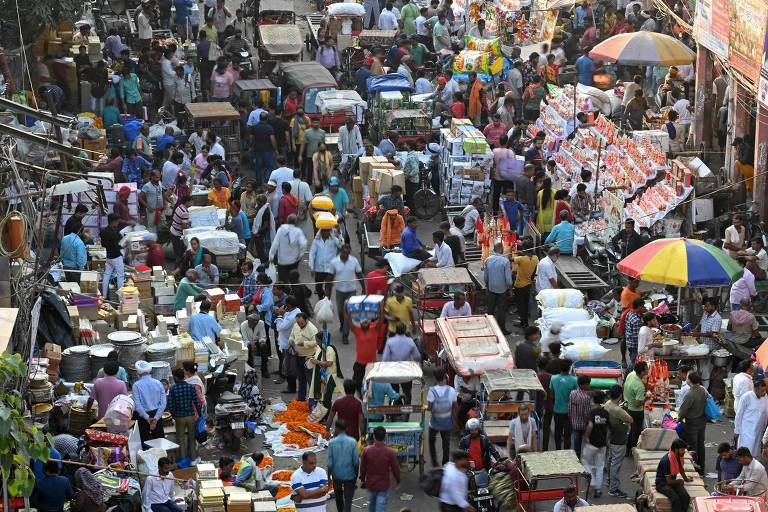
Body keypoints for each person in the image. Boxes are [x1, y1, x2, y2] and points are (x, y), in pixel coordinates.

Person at [360, 426, 400, 512]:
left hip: (371, 484)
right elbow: (395, 468)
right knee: (380, 507)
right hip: (383, 485)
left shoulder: (366, 451)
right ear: (385, 437)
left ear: (374, 436)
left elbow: (363, 468)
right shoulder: (390, 452)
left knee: (372, 505)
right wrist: (398, 481)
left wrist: (362, 479)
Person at [167, 367, 203, 462]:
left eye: (174, 376)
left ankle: (183, 460)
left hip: (179, 417)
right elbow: (197, 402)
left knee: (181, 439)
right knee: (192, 438)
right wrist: (200, 415)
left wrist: (174, 415)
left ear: (176, 377)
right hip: (191, 416)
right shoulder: (190, 387)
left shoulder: (173, 388)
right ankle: (193, 459)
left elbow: (170, 404)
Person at [604, 384, 632, 498]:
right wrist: (625, 423)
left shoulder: (607, 404)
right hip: (619, 439)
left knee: (611, 460)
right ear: (620, 395)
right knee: (616, 463)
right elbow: (630, 419)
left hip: (610, 437)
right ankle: (613, 488)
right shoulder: (618, 410)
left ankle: (609, 481)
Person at [677, 371, 707, 474]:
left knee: (693, 447)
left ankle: (694, 469)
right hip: (702, 421)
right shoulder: (703, 389)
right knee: (700, 445)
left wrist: (679, 419)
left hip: (692, 422)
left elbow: (683, 411)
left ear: (690, 380)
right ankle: (701, 469)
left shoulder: (690, 394)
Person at [327, 419, 359, 512]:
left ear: (336, 428)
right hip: (350, 475)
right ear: (347, 429)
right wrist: (356, 476)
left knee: (338, 497)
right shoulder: (353, 442)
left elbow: (330, 463)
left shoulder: (332, 442)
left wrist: (328, 477)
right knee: (348, 500)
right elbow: (356, 462)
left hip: (336, 476)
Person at [428, 368, 458, 467]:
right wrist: (454, 421)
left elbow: (429, 407)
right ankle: (445, 463)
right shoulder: (452, 390)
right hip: (447, 423)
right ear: (445, 376)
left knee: (431, 441)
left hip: (434, 423)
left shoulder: (431, 391)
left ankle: (434, 462)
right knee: (446, 445)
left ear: (435, 378)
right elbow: (455, 407)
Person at [581, 390, 609, 498]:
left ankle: (592, 482)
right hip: (602, 444)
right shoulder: (606, 413)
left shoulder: (592, 413)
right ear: (603, 400)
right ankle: (598, 489)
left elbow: (590, 426)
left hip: (591, 443)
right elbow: (607, 428)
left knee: (584, 461)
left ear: (593, 400)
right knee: (600, 466)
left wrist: (586, 436)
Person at [132, 360, 166, 444]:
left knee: (145, 442)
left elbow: (137, 404)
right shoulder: (158, 383)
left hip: (143, 417)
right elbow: (163, 403)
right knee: (159, 442)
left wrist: (147, 417)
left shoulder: (136, 385)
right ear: (150, 372)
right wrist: (156, 418)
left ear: (138, 373)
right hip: (156, 414)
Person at [655, 439, 692, 512]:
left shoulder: (679, 456)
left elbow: (681, 468)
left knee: (685, 497)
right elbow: (668, 481)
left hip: (672, 481)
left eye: (684, 449)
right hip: (662, 483)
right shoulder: (667, 460)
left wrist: (686, 479)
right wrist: (679, 480)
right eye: (682, 450)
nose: (684, 451)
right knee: (676, 499)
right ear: (676, 449)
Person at [288, 313, 318, 402]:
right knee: (301, 378)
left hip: (309, 357)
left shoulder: (312, 329)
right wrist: (291, 340)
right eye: (298, 323)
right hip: (298, 356)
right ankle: (301, 398)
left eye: (301, 323)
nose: (299, 325)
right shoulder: (295, 326)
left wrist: (304, 344)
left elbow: (316, 342)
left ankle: (313, 399)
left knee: (310, 379)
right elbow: (292, 336)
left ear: (306, 320)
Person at [734, 379, 768, 456]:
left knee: (756, 452)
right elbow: (739, 415)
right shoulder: (746, 397)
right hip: (747, 430)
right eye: (762, 391)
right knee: (746, 452)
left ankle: (754, 466)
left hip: (759, 430)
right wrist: (737, 430)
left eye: (765, 390)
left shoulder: (765, 396)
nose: (764, 392)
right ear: (755, 389)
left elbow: (766, 412)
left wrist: (765, 428)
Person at [484, 242, 513, 334]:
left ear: (494, 250)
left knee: (491, 308)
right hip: (502, 289)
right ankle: (502, 329)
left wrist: (487, 286)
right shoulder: (505, 261)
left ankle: (490, 328)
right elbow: (508, 279)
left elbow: (486, 276)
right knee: (501, 309)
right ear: (502, 249)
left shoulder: (488, 260)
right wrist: (510, 289)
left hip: (491, 287)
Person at [270, 214, 307, 281]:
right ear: (295, 222)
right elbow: (303, 244)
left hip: (282, 261)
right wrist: (300, 255)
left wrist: (271, 256)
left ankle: (284, 291)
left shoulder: (281, 230)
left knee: (282, 281)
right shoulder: (298, 231)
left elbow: (275, 244)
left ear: (287, 221)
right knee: (293, 280)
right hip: (294, 261)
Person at [550, 358, 577, 450]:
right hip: (570, 411)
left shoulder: (553, 378)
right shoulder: (574, 380)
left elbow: (552, 394)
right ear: (569, 368)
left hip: (557, 410)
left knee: (557, 431)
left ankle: (558, 450)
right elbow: (575, 395)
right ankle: (567, 453)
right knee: (567, 434)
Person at [513, 242, 538, 328]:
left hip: (519, 286)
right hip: (528, 284)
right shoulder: (535, 258)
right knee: (525, 305)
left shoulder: (521, 259)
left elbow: (510, 258)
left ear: (524, 250)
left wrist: (513, 249)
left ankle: (523, 323)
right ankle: (525, 322)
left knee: (520, 306)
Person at [567, 375, 593, 459]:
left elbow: (569, 408)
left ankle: (577, 459)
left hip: (574, 423)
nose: (589, 385)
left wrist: (571, 419)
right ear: (583, 385)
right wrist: (589, 423)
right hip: (583, 425)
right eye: (588, 384)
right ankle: (584, 461)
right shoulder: (586, 398)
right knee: (585, 444)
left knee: (576, 444)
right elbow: (587, 413)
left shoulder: (572, 393)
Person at [100, 213, 124, 299]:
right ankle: (121, 299)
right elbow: (118, 246)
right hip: (116, 257)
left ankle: (104, 296)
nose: (118, 223)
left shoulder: (103, 231)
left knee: (106, 275)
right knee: (120, 276)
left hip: (108, 256)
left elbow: (103, 244)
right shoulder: (113, 234)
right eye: (117, 222)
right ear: (113, 222)